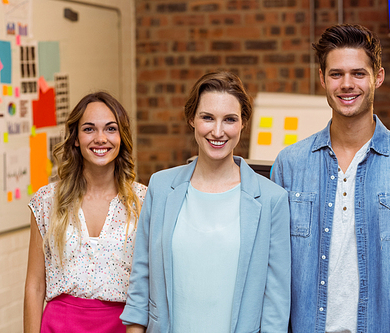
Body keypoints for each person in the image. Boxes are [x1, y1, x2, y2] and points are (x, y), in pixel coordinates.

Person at [272, 24, 390, 332]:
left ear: (377, 77)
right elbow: (272, 271)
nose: (347, 84)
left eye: (358, 73)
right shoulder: (290, 165)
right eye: (336, 74)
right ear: (322, 79)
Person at [121, 71, 290, 333]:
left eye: (230, 119)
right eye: (207, 117)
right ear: (192, 119)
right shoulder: (161, 187)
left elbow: (275, 305)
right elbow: (141, 279)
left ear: (243, 123)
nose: (218, 131)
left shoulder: (271, 200)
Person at [24, 92, 147, 333]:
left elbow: (150, 283)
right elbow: (35, 285)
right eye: (89, 129)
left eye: (111, 129)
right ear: (76, 138)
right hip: (58, 325)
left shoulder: (143, 201)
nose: (100, 139)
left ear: (121, 137)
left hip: (123, 326)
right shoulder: (47, 200)